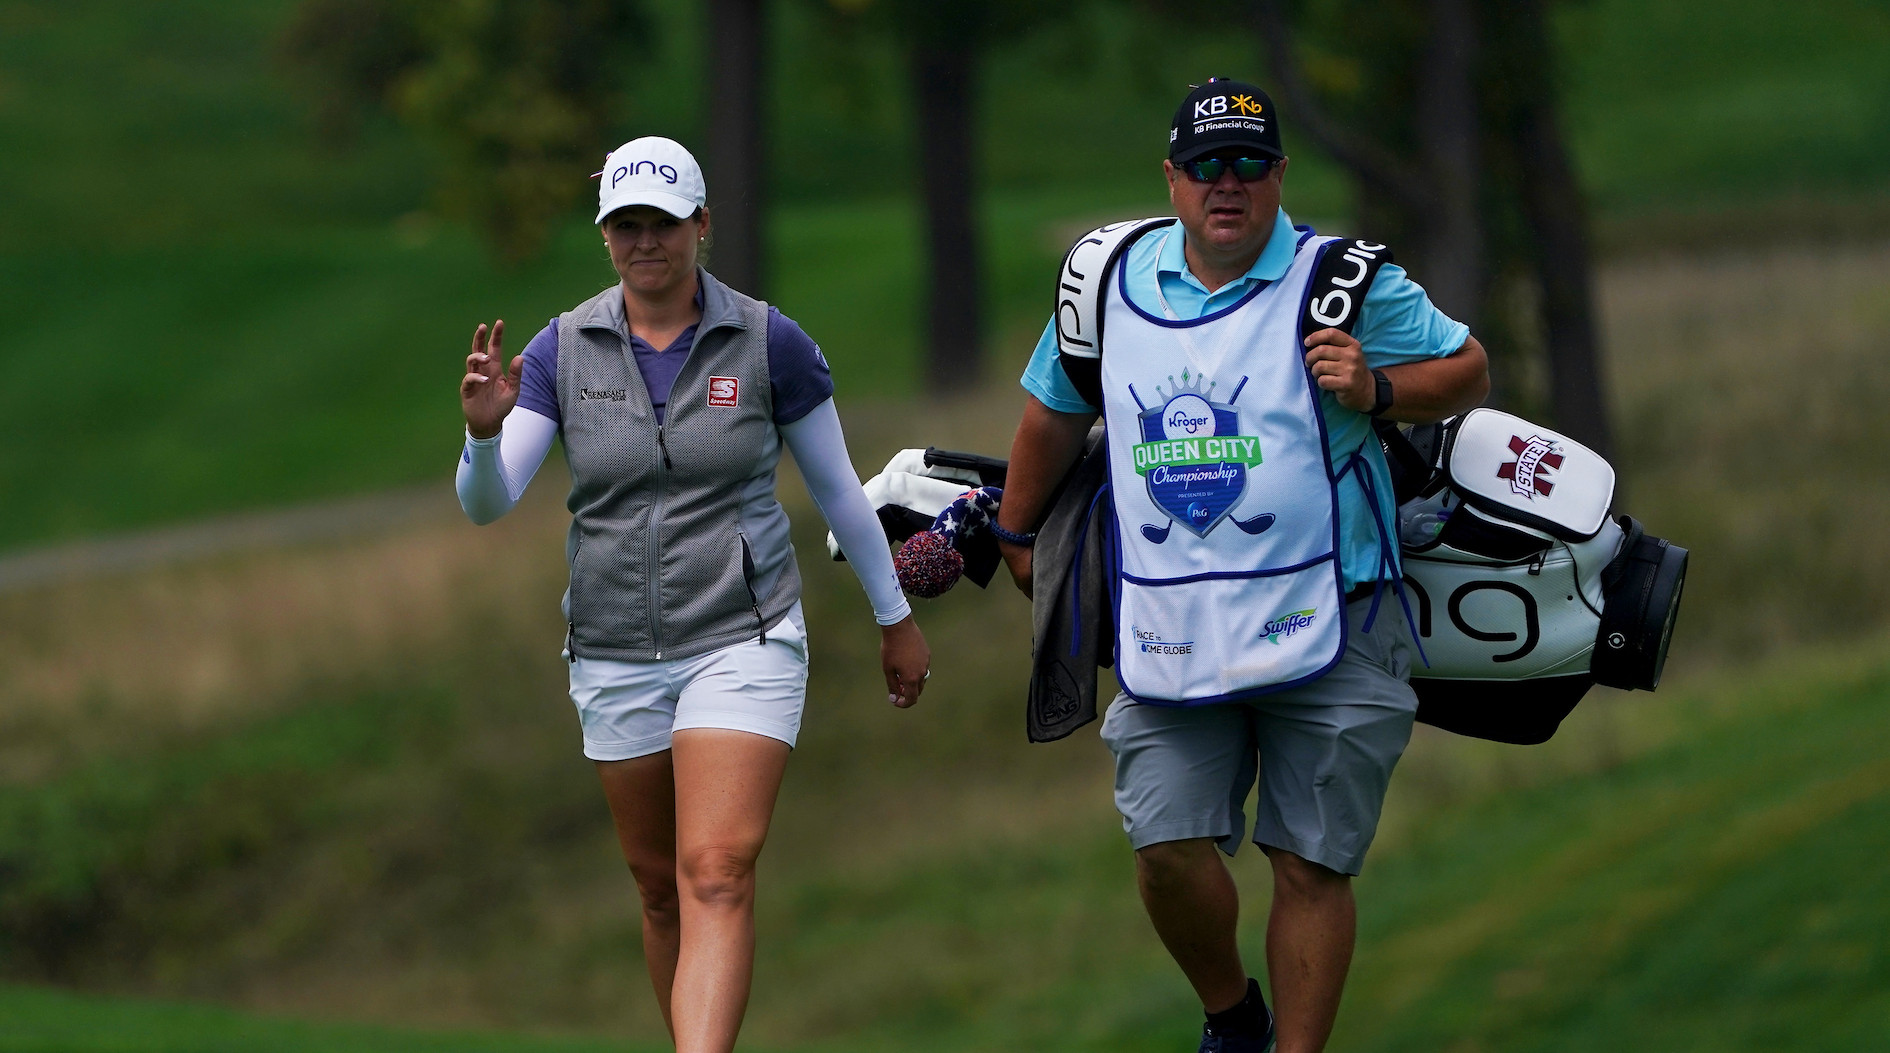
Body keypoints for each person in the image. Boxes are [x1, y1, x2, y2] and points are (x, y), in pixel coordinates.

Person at [993, 80, 1489, 1053]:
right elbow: (1051, 413)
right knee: (1164, 846)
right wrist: (1015, 536)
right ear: (1173, 179)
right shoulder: (1105, 284)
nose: (1231, 185)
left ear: (1278, 177)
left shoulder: (1342, 281)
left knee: (1311, 864)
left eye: (1250, 165)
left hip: (1338, 608)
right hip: (1169, 622)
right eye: (1209, 166)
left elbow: (1468, 368)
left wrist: (1377, 385)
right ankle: (1232, 1015)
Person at [454, 135, 930, 1053]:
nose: (646, 243)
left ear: (702, 225)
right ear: (605, 235)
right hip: (612, 647)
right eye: (626, 225)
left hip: (742, 634)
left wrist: (893, 615)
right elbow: (489, 503)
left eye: (664, 224)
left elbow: (838, 488)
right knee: (660, 886)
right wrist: (480, 434)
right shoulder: (564, 345)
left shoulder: (766, 340)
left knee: (716, 868)